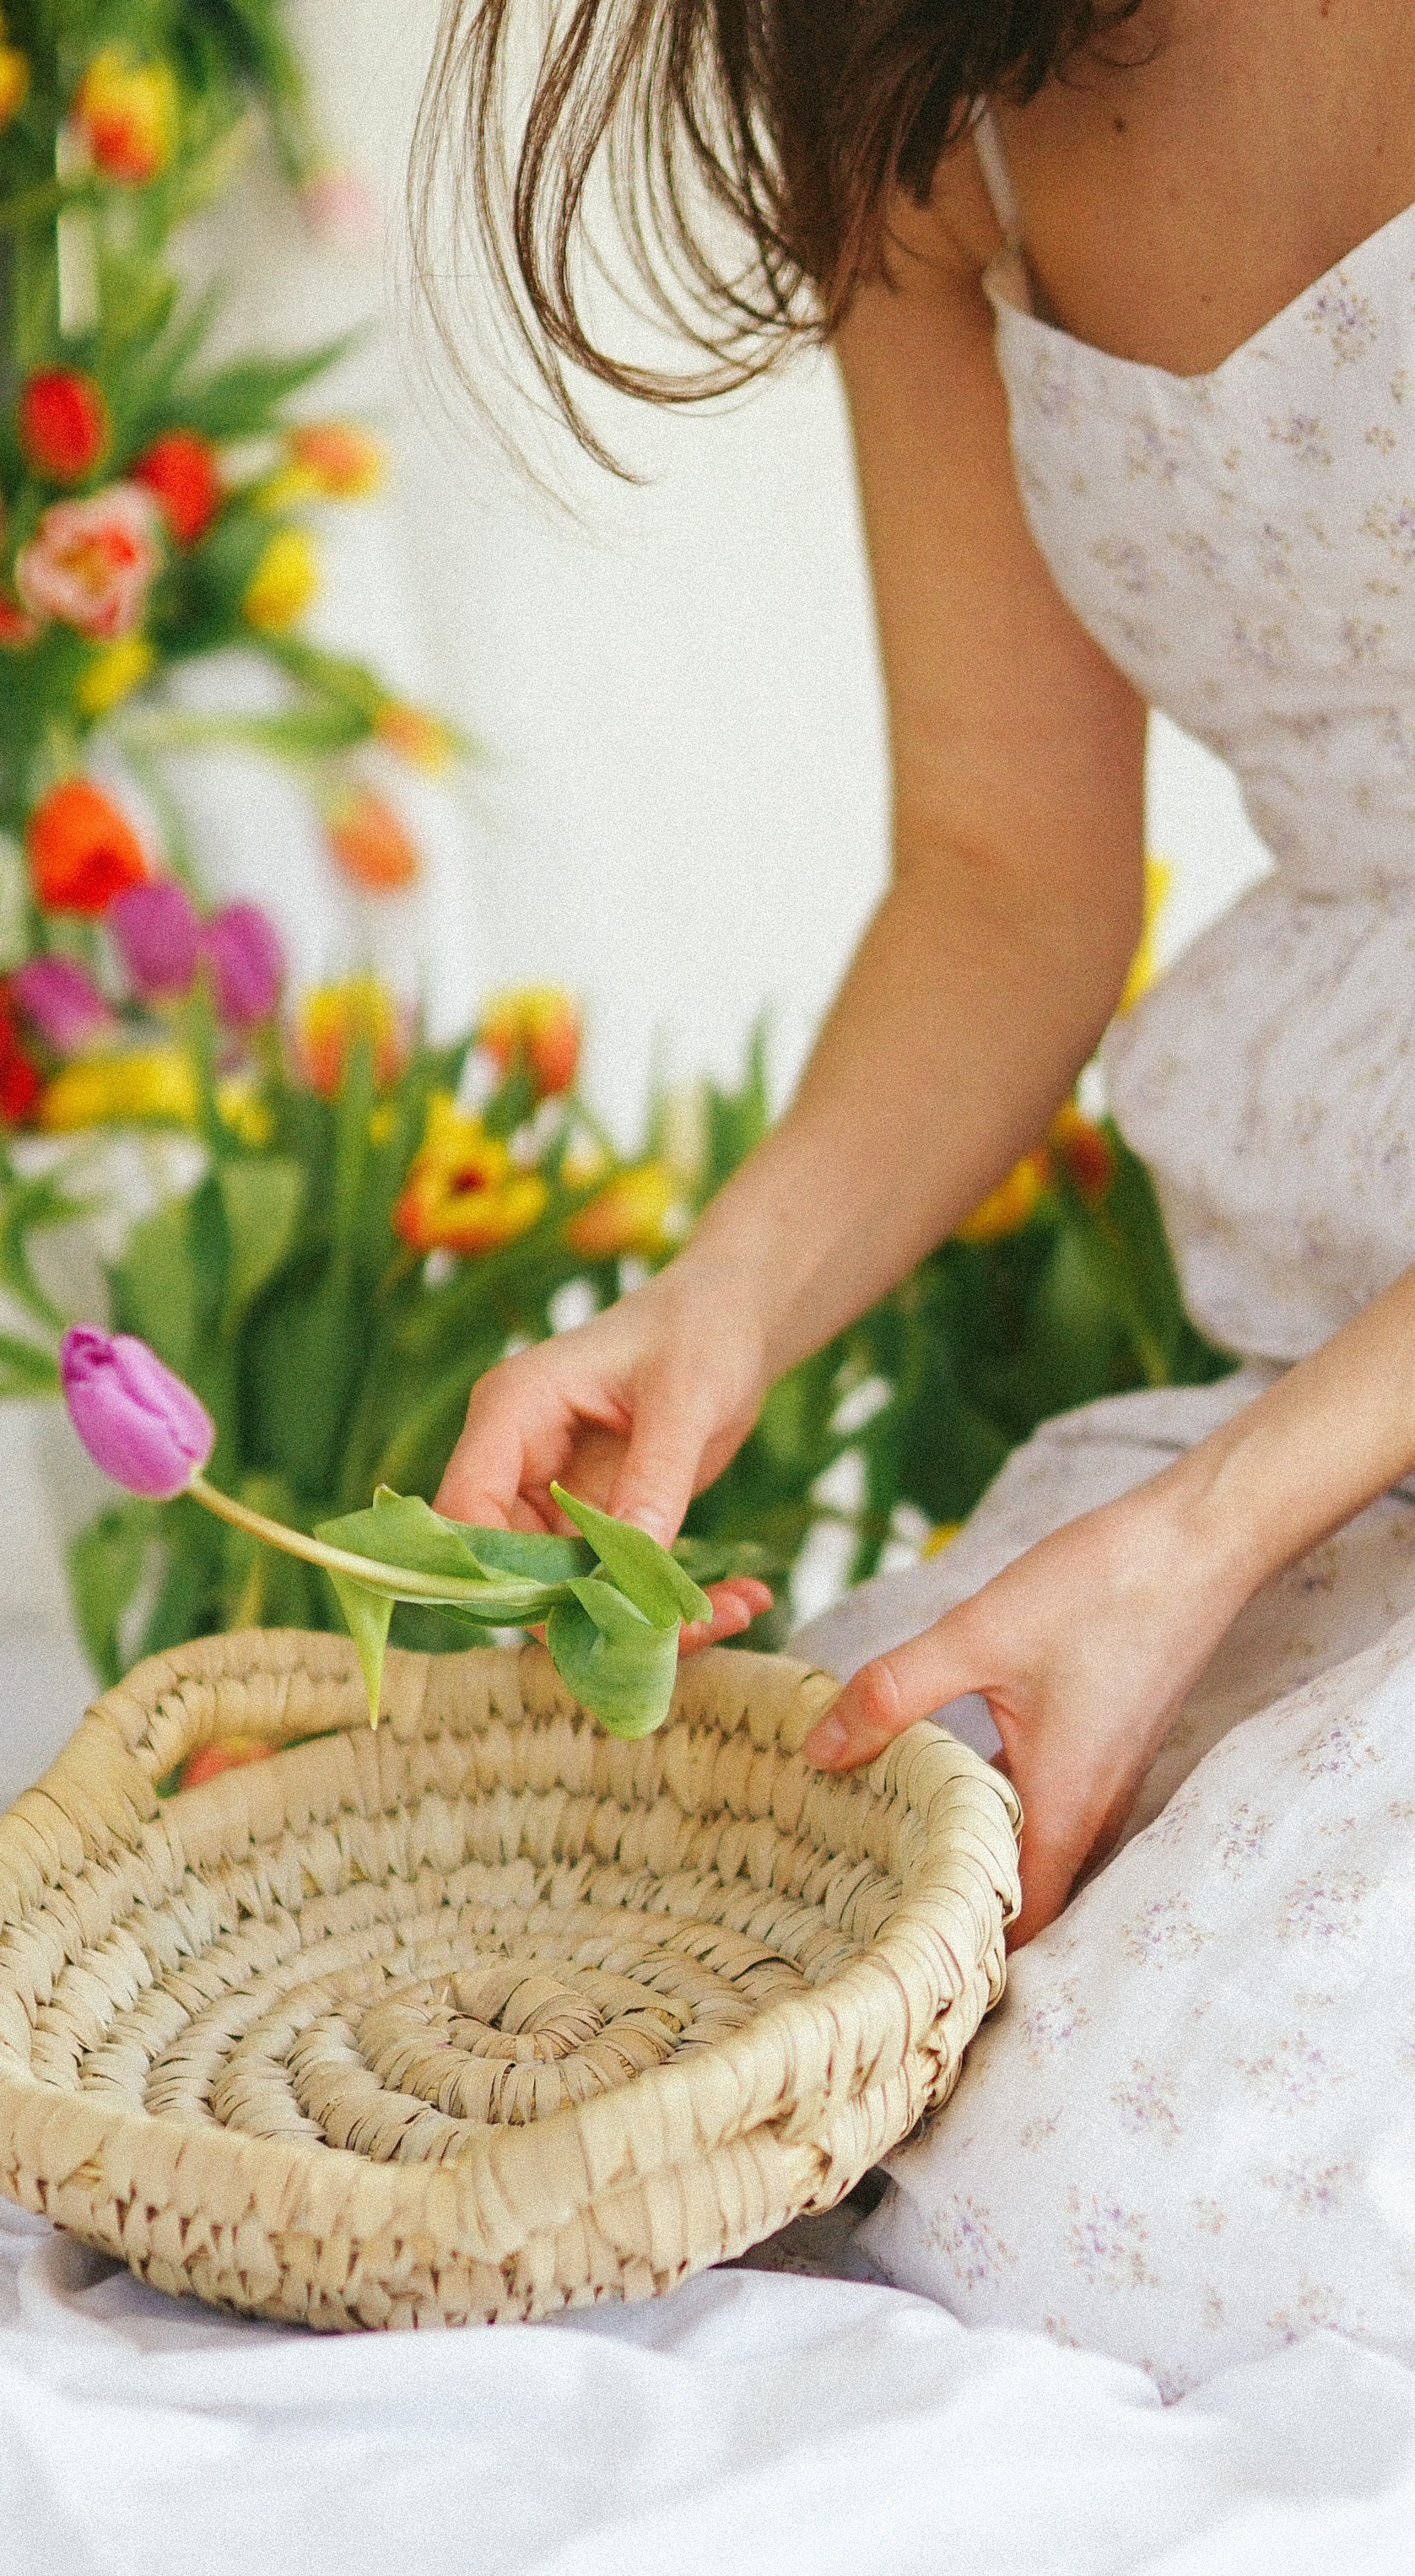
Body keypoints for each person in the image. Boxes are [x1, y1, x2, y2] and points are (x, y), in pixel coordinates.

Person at [419, 0, 1415, 2393]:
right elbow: (1003, 882)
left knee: (1127, 2189)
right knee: (769, 1989)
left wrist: (1200, 1542)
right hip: (1347, 1391)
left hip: (1313, 1452)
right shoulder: (926, 97)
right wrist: (717, 1309)